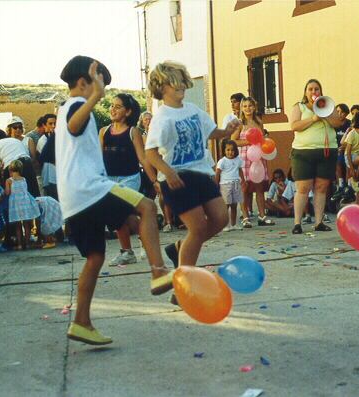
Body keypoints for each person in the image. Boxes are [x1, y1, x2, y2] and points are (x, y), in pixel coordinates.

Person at [57, 55, 173, 346]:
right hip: (89, 189)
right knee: (147, 207)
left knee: (96, 257)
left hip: (73, 198)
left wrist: (94, 96)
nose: (104, 92)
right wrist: (95, 96)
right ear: (85, 82)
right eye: (101, 84)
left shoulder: (63, 109)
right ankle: (159, 272)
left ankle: (81, 322)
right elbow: (74, 126)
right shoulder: (75, 106)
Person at [144, 60, 240, 277]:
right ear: (162, 87)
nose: (181, 87)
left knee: (220, 218)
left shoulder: (193, 110)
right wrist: (168, 172)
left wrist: (226, 131)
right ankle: (183, 283)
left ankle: (180, 248)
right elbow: (151, 153)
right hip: (177, 178)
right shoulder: (162, 117)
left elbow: (211, 131)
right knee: (196, 228)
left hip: (201, 173)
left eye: (182, 82)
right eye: (174, 83)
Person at [100, 93, 157, 267]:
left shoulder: (133, 132)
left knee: (120, 211)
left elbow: (143, 158)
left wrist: (155, 180)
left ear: (128, 111)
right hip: (110, 179)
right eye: (111, 105)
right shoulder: (103, 131)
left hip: (130, 179)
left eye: (118, 106)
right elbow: (98, 159)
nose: (112, 109)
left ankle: (128, 251)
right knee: (121, 216)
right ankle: (139, 240)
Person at [289, 79, 344, 234]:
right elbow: (294, 126)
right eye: (311, 89)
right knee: (303, 187)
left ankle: (319, 222)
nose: (314, 92)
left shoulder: (327, 105)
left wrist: (323, 112)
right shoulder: (298, 107)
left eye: (317, 89)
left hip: (326, 151)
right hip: (303, 152)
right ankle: (297, 223)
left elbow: (337, 123)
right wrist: (313, 118)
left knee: (321, 187)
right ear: (305, 92)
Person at [231, 96, 274, 228]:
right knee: (244, 188)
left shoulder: (259, 122)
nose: (247, 109)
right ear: (241, 108)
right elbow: (233, 141)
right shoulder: (239, 123)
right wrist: (248, 142)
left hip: (258, 159)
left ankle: (262, 215)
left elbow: (262, 138)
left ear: (254, 107)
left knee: (259, 188)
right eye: (245, 106)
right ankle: (245, 217)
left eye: (250, 106)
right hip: (244, 158)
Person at [0, 129, 40, 197]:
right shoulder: (15, 140)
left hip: (11, 167)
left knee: (15, 196)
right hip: (27, 163)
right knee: (34, 193)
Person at [5, 160, 40, 250]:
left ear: (10, 169)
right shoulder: (24, 179)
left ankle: (20, 244)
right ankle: (27, 244)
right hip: (25, 204)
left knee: (17, 226)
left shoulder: (9, 181)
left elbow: (8, 192)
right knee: (26, 225)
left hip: (15, 205)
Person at [215, 140, 244, 231]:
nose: (230, 152)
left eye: (232, 150)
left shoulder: (238, 160)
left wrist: (243, 180)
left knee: (234, 205)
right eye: (228, 150)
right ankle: (224, 225)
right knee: (226, 205)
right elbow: (218, 173)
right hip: (225, 185)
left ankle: (233, 224)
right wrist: (216, 183)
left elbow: (240, 170)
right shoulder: (222, 161)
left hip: (235, 184)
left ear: (235, 151)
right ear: (224, 151)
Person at [37, 114, 57, 200]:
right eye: (50, 123)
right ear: (44, 125)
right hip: (50, 178)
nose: (53, 126)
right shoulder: (43, 140)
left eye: (55, 123)